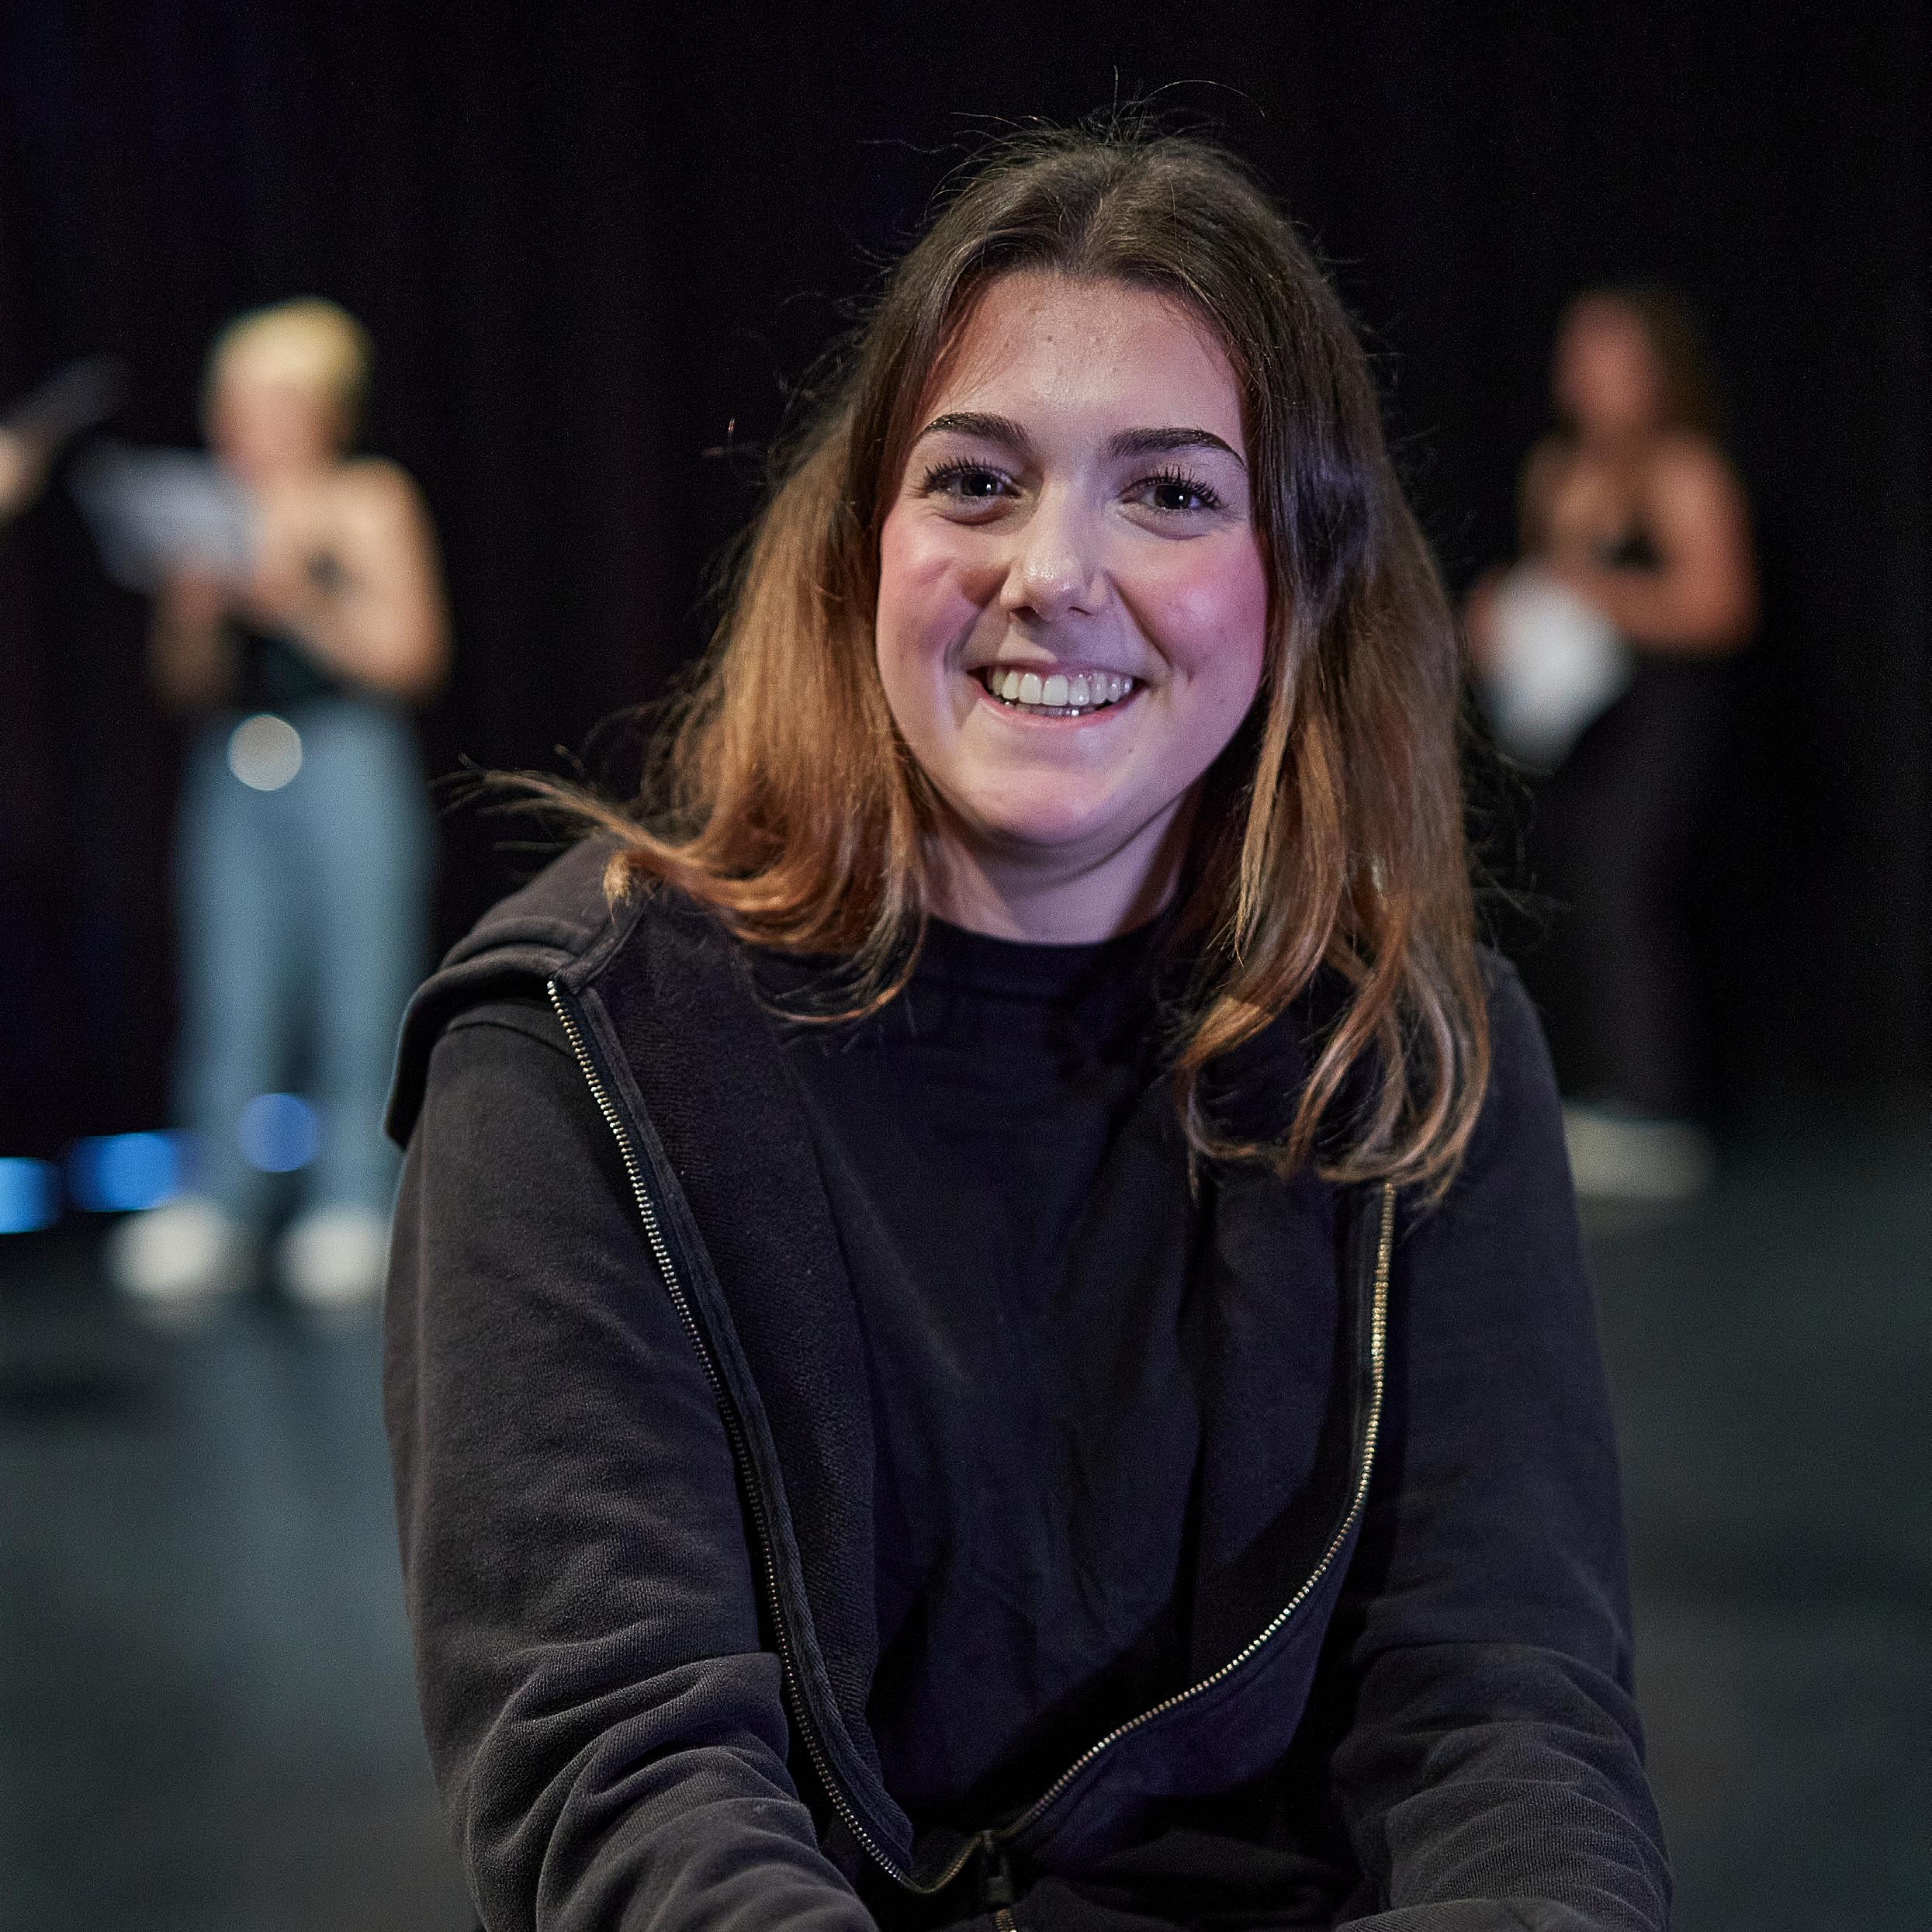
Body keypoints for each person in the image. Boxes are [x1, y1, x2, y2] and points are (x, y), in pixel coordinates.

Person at [384, 127, 1668, 1930]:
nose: (1051, 570)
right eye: (976, 481)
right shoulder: (577, 1056)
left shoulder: (1415, 1051)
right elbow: (622, 1774)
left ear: (1297, 575)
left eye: (1171, 493)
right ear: (866, 549)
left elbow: (1506, 1724)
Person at [110, 299, 448, 1310]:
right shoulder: (210, 507)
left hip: (345, 751)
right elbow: (179, 684)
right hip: (235, 754)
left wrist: (295, 594)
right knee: (230, 987)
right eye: (230, 404)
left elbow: (411, 655)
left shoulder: (366, 499)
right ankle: (218, 1200)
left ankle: (353, 1198)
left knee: (360, 983)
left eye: (263, 404)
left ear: (320, 410)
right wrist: (196, 611)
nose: (240, 426)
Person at [1467, 289, 1757, 1200]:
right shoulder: (1556, 470)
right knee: (1565, 885)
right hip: (1572, 723)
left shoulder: (1683, 471)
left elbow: (1720, 605)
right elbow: (1544, 586)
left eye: (1612, 357)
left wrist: (1597, 594)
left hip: (1662, 720)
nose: (1590, 376)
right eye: (1579, 356)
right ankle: (1597, 1090)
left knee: (1623, 884)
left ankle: (1655, 1103)